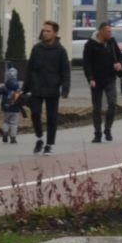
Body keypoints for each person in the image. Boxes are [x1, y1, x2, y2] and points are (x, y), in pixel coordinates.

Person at [25, 20, 72, 154]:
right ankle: (39, 138)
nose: (45, 33)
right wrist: (24, 88)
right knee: (35, 113)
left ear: (55, 33)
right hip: (36, 87)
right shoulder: (36, 48)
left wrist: (65, 89)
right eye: (43, 31)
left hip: (52, 88)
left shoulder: (61, 51)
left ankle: (49, 144)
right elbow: (30, 69)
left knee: (52, 118)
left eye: (48, 31)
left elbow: (65, 72)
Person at [82, 22, 122, 142]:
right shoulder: (90, 45)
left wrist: (119, 64)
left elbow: (121, 57)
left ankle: (107, 129)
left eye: (110, 31)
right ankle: (97, 133)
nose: (110, 34)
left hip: (110, 78)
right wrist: (90, 78)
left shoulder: (111, 42)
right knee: (97, 107)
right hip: (96, 80)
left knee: (112, 104)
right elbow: (86, 64)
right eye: (108, 31)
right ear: (101, 32)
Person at [0, 63, 25, 143]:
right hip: (16, 109)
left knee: (6, 121)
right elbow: (23, 98)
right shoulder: (18, 89)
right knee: (14, 123)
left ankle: (5, 133)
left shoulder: (4, 88)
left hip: (6, 108)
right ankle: (13, 137)